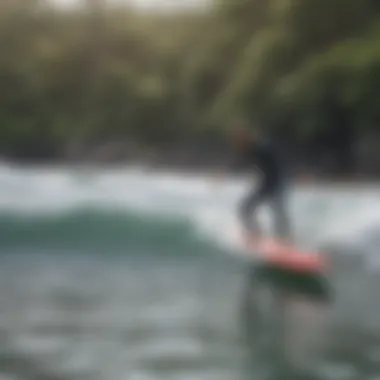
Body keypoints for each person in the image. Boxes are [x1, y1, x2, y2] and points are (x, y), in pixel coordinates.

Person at [227, 121, 292, 243]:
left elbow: (281, 161)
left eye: (239, 139)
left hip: (278, 183)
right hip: (265, 183)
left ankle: (285, 239)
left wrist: (298, 173)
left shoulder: (263, 147)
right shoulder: (247, 149)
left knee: (277, 210)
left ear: (246, 137)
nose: (237, 143)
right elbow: (238, 163)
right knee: (245, 209)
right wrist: (223, 174)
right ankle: (256, 234)